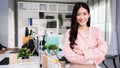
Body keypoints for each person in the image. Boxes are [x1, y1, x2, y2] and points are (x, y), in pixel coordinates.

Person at [63, 2, 107, 68]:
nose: (82, 17)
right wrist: (90, 59)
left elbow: (103, 49)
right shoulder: (69, 33)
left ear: (88, 15)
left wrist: (84, 53)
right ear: (75, 16)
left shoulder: (96, 31)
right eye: (78, 14)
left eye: (84, 14)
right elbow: (69, 55)